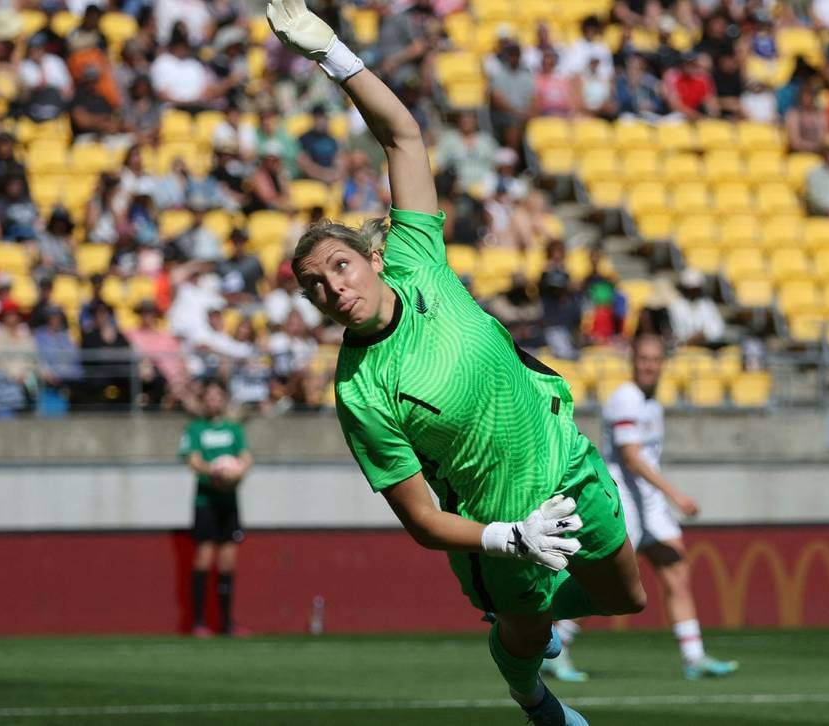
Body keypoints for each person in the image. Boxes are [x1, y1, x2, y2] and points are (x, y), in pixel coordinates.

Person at [268, 3, 647, 723]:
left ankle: (526, 634)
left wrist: (332, 53)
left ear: (374, 258)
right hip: (500, 524)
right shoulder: (358, 389)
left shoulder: (416, 258)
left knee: (624, 596)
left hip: (564, 459)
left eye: (341, 267)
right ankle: (524, 683)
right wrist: (510, 539)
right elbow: (418, 518)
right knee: (530, 638)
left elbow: (403, 136)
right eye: (314, 286)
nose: (333, 288)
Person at [551, 336, 739, 683]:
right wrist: (676, 495)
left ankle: (693, 656)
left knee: (677, 571)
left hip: (649, 504)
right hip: (624, 501)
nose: (649, 365)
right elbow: (633, 458)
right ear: (633, 361)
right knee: (607, 584)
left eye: (655, 359)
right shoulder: (626, 399)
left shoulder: (652, 403)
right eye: (643, 359)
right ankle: (557, 646)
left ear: (664, 363)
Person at [179, 380, 253, 638]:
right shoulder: (195, 429)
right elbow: (192, 460)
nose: (213, 401)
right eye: (208, 397)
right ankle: (198, 621)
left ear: (223, 399)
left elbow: (246, 457)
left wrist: (237, 472)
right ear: (203, 401)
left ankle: (227, 622)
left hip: (229, 502)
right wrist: (216, 472)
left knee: (227, 562)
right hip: (206, 502)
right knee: (203, 558)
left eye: (217, 396)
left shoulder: (234, 429)